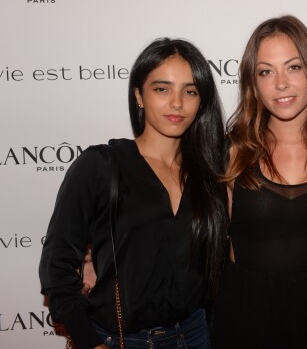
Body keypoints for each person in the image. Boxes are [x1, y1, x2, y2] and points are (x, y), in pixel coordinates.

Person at [39, 38, 228, 349]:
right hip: (120, 341)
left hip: (195, 336)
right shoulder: (101, 165)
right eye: (162, 89)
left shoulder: (211, 172)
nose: (177, 102)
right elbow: (56, 265)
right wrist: (90, 344)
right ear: (139, 95)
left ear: (201, 101)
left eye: (190, 91)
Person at [211, 15, 307, 349]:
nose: (281, 83)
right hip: (244, 312)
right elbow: (199, 235)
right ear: (253, 83)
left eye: (293, 67)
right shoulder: (232, 151)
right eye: (266, 71)